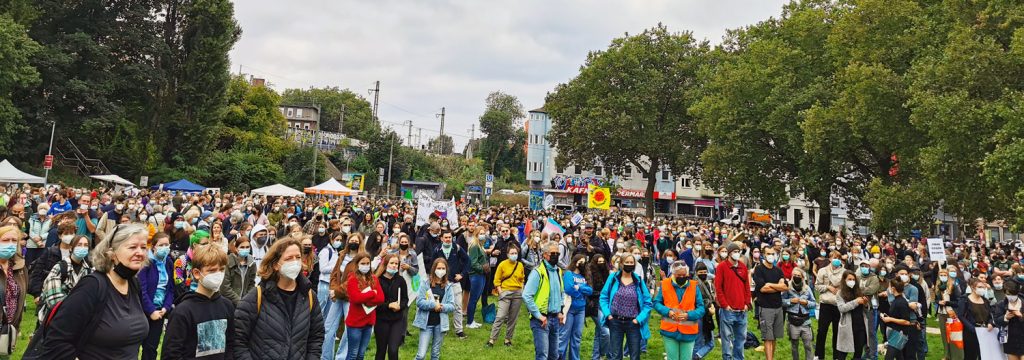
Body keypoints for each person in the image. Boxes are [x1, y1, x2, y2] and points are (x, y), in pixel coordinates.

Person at [31, 223, 150, 359]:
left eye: (144, 247)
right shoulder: (92, 286)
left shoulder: (134, 284)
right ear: (111, 253)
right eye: (133, 247)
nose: (140, 253)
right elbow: (57, 339)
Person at [231, 237, 325, 359]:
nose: (295, 262)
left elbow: (316, 337)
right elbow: (239, 342)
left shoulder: (309, 296)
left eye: (298, 257)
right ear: (275, 265)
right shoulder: (256, 297)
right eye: (288, 258)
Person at [161, 245, 235, 359]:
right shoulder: (183, 311)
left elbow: (230, 344)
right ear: (196, 273)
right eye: (212, 270)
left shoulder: (227, 306)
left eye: (221, 269)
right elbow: (171, 353)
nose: (218, 274)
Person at [600, 251, 653, 360]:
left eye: (631, 262)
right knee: (615, 355)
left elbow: (648, 302)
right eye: (627, 262)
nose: (629, 264)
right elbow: (603, 296)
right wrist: (607, 313)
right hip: (615, 321)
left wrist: (639, 319)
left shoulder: (638, 279)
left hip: (633, 323)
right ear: (621, 264)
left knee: (634, 355)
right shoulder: (613, 278)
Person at [323, 231, 365, 360]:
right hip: (337, 297)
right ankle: (325, 357)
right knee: (328, 328)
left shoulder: (362, 260)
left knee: (349, 329)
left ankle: (341, 357)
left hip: (350, 299)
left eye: (356, 241)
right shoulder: (342, 255)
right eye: (351, 240)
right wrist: (333, 289)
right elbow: (334, 274)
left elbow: (354, 280)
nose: (353, 243)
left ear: (360, 243)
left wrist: (337, 291)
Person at [653, 261, 705, 360]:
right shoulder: (665, 284)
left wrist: (688, 315)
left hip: (689, 332)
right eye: (679, 275)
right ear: (673, 274)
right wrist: (668, 312)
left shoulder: (694, 286)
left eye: (684, 275)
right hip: (670, 331)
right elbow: (656, 303)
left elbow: (701, 308)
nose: (682, 277)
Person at [524, 240, 567, 360]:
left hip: (554, 318)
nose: (556, 256)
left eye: (557, 253)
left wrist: (561, 310)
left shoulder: (558, 271)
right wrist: (538, 315)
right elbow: (526, 295)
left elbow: (561, 292)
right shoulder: (538, 272)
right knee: (542, 355)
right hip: (541, 320)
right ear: (545, 255)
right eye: (553, 253)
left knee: (554, 355)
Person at [138, 232, 175, 360]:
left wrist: (166, 307)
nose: (165, 247)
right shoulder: (146, 263)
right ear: (153, 246)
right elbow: (142, 290)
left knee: (151, 347)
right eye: (161, 245)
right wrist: (151, 310)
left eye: (167, 245)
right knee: (135, 346)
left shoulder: (169, 262)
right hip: (143, 310)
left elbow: (170, 288)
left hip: (160, 311)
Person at [39, 234, 92, 321]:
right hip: (56, 318)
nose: (82, 248)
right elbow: (53, 299)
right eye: (79, 245)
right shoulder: (60, 267)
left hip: (78, 319)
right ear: (71, 248)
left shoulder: (88, 271)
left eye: (86, 245)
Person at [428, 230, 470, 339]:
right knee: (442, 306)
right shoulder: (437, 249)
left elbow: (467, 261)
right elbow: (432, 265)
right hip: (441, 283)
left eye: (449, 237)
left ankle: (459, 330)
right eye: (445, 237)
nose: (448, 239)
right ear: (441, 238)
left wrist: (462, 274)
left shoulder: (457, 248)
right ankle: (443, 327)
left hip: (455, 282)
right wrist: (434, 278)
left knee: (458, 307)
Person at [413, 258, 457, 360]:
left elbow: (452, 305)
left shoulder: (448, 286)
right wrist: (433, 305)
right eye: (438, 268)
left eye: (443, 268)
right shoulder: (425, 283)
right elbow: (419, 302)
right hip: (426, 324)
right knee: (421, 355)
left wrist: (442, 307)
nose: (441, 270)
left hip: (440, 324)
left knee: (435, 354)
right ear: (434, 269)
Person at [714, 241, 751, 360]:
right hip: (728, 309)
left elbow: (747, 286)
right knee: (726, 338)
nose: (737, 254)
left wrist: (746, 303)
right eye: (735, 252)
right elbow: (718, 287)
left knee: (741, 338)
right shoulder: (721, 267)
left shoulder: (742, 267)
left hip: (742, 309)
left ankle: (738, 358)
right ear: (729, 253)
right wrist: (725, 305)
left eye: (738, 252)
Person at [753, 246, 788, 360]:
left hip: (778, 307)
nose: (771, 256)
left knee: (774, 337)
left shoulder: (778, 270)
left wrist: (771, 284)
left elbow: (784, 287)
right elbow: (763, 289)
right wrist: (778, 287)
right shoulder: (759, 269)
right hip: (765, 308)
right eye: (768, 253)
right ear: (764, 254)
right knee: (768, 337)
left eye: (773, 253)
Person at [487, 243, 525, 347]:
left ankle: (508, 339)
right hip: (505, 293)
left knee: (513, 318)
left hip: (517, 294)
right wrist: (501, 292)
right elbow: (496, 280)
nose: (514, 255)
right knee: (500, 316)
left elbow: (522, 278)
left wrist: (521, 288)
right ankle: (492, 340)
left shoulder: (520, 265)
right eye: (512, 253)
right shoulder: (502, 264)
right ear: (508, 254)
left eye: (516, 253)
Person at [374, 254, 408, 360]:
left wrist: (400, 306)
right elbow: (374, 303)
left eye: (396, 263)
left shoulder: (400, 280)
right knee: (381, 350)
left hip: (397, 320)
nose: (394, 266)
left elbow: (405, 299)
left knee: (393, 350)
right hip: (381, 319)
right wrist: (388, 305)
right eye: (392, 263)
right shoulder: (377, 280)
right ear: (385, 264)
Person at [814, 251, 846, 360]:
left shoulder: (845, 272)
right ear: (830, 258)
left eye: (838, 257)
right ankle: (818, 355)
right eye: (833, 257)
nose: (836, 259)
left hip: (838, 305)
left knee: (837, 331)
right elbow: (817, 286)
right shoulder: (823, 271)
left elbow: (848, 287)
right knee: (822, 331)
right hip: (825, 304)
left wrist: (840, 290)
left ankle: (836, 356)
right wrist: (828, 287)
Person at [560, 254, 592, 360]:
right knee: (564, 336)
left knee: (577, 337)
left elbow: (590, 290)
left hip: (581, 309)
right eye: (580, 262)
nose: (582, 264)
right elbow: (568, 289)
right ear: (575, 262)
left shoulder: (584, 276)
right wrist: (581, 293)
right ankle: (560, 357)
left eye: (584, 262)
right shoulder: (569, 274)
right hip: (569, 309)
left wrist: (579, 287)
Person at [958, 278, 996, 360]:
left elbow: (990, 314)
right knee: (970, 355)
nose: (982, 289)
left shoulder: (985, 300)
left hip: (985, 331)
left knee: (984, 355)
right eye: (979, 287)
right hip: (970, 332)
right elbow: (961, 315)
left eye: (983, 287)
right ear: (972, 287)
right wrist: (972, 328)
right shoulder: (965, 300)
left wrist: (990, 323)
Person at [782, 269, 816, 360]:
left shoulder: (807, 288)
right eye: (795, 275)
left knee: (808, 345)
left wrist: (806, 303)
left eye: (798, 275)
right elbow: (781, 302)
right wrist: (790, 301)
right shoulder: (787, 288)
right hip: (792, 321)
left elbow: (814, 303)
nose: (796, 277)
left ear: (802, 277)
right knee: (794, 345)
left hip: (805, 321)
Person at [836, 270, 868, 360]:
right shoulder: (840, 293)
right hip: (848, 325)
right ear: (844, 280)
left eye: (853, 279)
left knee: (858, 351)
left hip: (860, 325)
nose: (852, 281)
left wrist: (865, 303)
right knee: (843, 352)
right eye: (849, 279)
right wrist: (856, 302)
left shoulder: (859, 291)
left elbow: (865, 309)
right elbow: (842, 308)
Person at [933, 266, 964, 360]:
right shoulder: (938, 287)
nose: (943, 276)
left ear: (948, 275)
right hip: (941, 313)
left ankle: (956, 356)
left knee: (953, 335)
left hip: (952, 313)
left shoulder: (953, 286)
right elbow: (936, 299)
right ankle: (947, 355)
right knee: (944, 335)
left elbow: (959, 301)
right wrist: (939, 302)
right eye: (941, 275)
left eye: (944, 275)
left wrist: (947, 302)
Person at [881, 281, 915, 360]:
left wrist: (890, 319)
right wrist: (887, 317)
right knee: (899, 356)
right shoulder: (896, 300)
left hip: (899, 333)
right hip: (895, 332)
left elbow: (906, 322)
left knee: (888, 358)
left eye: (889, 287)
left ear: (893, 289)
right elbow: (897, 316)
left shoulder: (901, 302)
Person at [586, 254, 611, 360]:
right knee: (606, 332)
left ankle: (596, 357)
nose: (601, 264)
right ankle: (602, 353)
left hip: (605, 304)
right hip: (594, 305)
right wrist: (601, 293)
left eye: (602, 262)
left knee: (599, 333)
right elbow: (589, 291)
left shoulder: (607, 273)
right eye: (598, 262)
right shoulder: (589, 273)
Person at [692, 261, 717, 359]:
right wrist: (710, 308)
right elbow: (702, 300)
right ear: (696, 272)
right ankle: (696, 357)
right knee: (707, 343)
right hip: (701, 315)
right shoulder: (697, 284)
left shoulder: (705, 283)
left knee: (700, 342)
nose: (703, 274)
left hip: (703, 315)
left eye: (705, 272)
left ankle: (696, 356)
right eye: (700, 272)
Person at [466, 227, 489, 329]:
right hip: (476, 275)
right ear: (476, 234)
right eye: (481, 233)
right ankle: (469, 322)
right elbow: (473, 263)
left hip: (481, 275)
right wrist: (482, 269)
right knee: (473, 299)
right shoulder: (474, 246)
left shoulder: (480, 245)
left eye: (484, 233)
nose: (482, 235)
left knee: (476, 298)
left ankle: (472, 320)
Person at [995, 280, 1024, 359]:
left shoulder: (1022, 302)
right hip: (1010, 340)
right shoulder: (1000, 304)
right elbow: (997, 321)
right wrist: (1005, 317)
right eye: (1008, 294)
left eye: (1013, 294)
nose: (1011, 296)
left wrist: (1021, 316)